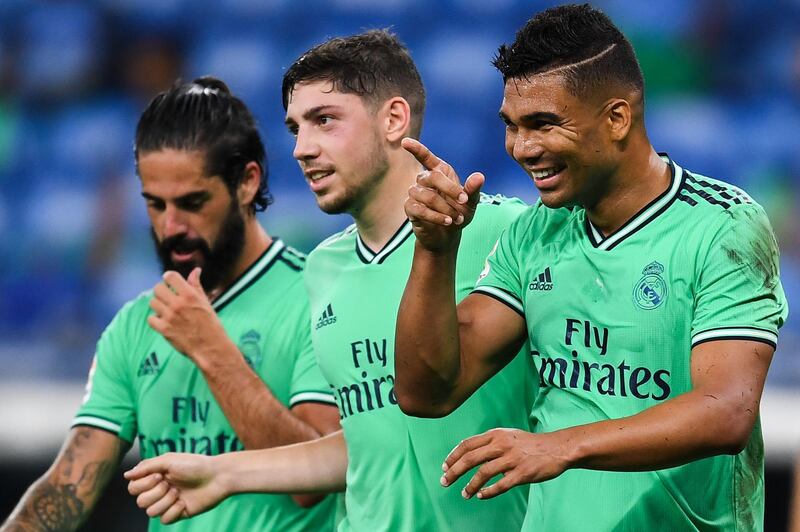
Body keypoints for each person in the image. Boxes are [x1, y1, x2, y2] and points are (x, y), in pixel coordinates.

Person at [392, 4, 788, 531]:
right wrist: (435, 251)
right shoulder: (535, 231)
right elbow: (427, 392)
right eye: (511, 126)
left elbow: (724, 411)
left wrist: (560, 446)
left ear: (617, 118)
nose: (522, 148)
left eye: (543, 124)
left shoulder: (723, 227)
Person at [125, 30, 537, 531]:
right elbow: (364, 445)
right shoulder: (322, 269)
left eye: (324, 121)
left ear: (394, 119)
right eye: (295, 128)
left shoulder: (507, 232)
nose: (301, 149)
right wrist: (223, 471)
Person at [1, 77, 341, 532]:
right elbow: (67, 488)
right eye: (155, 205)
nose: (171, 226)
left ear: (246, 182)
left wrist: (212, 350)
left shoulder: (319, 299)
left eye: (192, 202)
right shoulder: (136, 324)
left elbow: (311, 483)